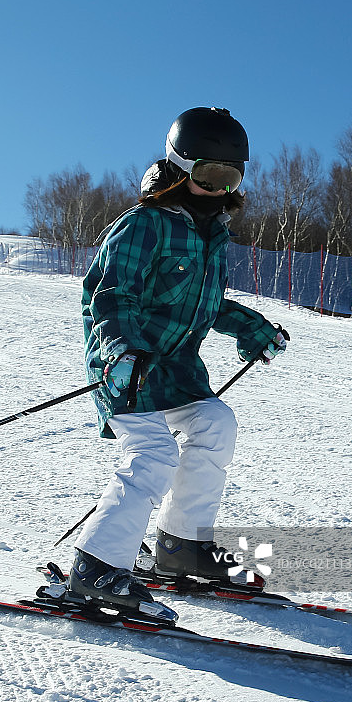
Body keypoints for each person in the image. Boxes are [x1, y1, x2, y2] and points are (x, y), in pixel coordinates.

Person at [43, 107, 288, 621]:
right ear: (179, 168)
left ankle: (181, 546)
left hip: (177, 372)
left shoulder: (212, 234)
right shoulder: (144, 224)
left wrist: (252, 328)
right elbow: (111, 295)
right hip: (127, 368)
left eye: (231, 178)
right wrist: (120, 350)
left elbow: (205, 303)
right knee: (154, 454)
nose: (219, 189)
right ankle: (96, 566)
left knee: (216, 423)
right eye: (209, 176)